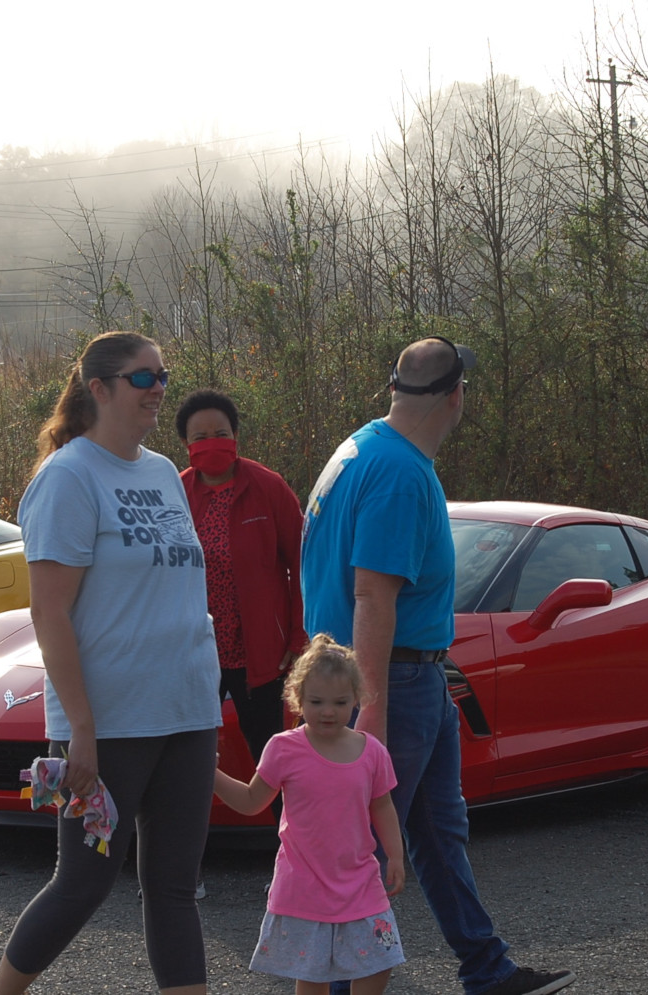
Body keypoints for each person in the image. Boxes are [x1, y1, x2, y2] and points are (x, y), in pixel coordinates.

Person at [299, 337, 575, 995]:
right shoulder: (399, 472)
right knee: (363, 848)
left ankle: (487, 965)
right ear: (455, 395)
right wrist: (371, 717)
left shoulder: (363, 445)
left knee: (436, 829)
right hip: (389, 679)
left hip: (405, 674)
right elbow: (372, 595)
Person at [0, 331, 220, 995]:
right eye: (142, 378)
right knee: (83, 883)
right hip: (109, 723)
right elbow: (49, 613)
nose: (158, 391)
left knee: (176, 887)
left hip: (185, 711)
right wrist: (79, 728)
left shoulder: (159, 473)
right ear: (99, 388)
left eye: (163, 377)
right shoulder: (68, 478)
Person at [213, 633, 407, 995]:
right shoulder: (284, 748)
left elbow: (382, 804)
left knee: (382, 960)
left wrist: (395, 854)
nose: (328, 711)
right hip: (304, 883)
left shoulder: (372, 751)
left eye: (340, 701)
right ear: (298, 699)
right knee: (313, 972)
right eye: (316, 701)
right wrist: (210, 775)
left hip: (360, 880)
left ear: (356, 699)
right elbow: (253, 800)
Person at [175, 389, 307, 773]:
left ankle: (288, 833)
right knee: (188, 758)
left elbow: (302, 563)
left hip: (261, 653)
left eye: (221, 433)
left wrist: (298, 635)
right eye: (200, 437)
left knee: (272, 758)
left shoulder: (268, 487)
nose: (211, 443)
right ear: (185, 444)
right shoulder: (175, 492)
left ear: (235, 436)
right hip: (196, 653)